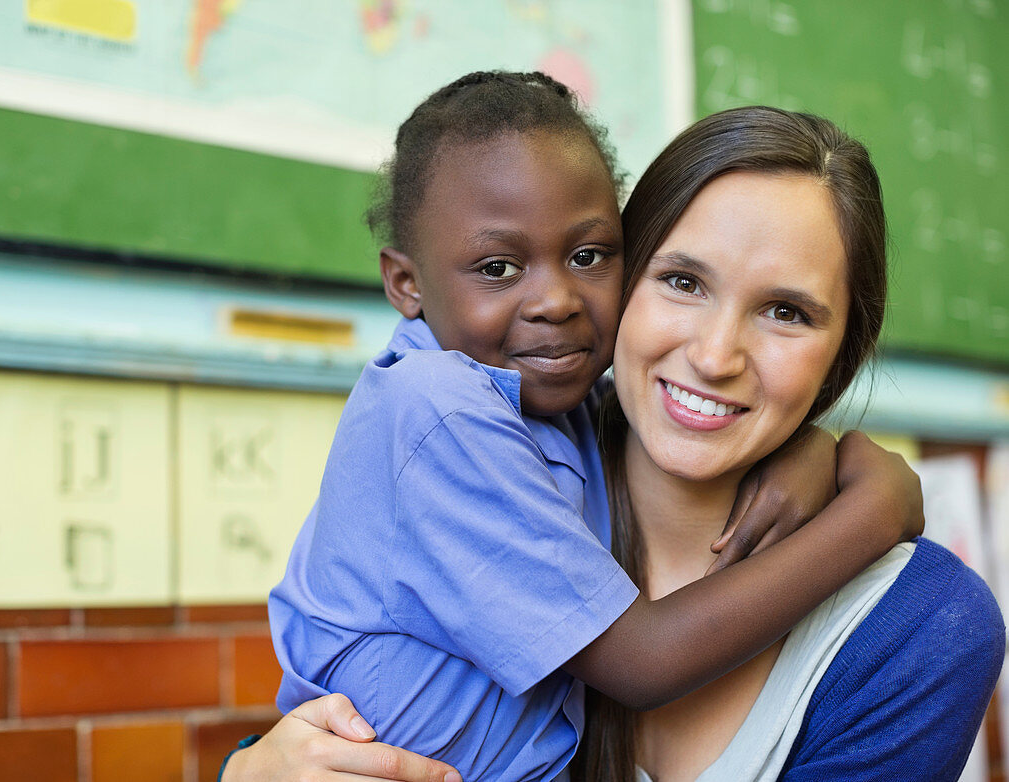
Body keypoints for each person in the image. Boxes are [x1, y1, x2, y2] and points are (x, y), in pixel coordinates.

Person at [228, 105, 1004, 782]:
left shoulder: (925, 629)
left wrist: (836, 461)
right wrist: (243, 769)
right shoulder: (503, 454)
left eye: (787, 312)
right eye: (684, 282)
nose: (714, 355)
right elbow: (353, 718)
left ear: (844, 349)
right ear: (632, 285)